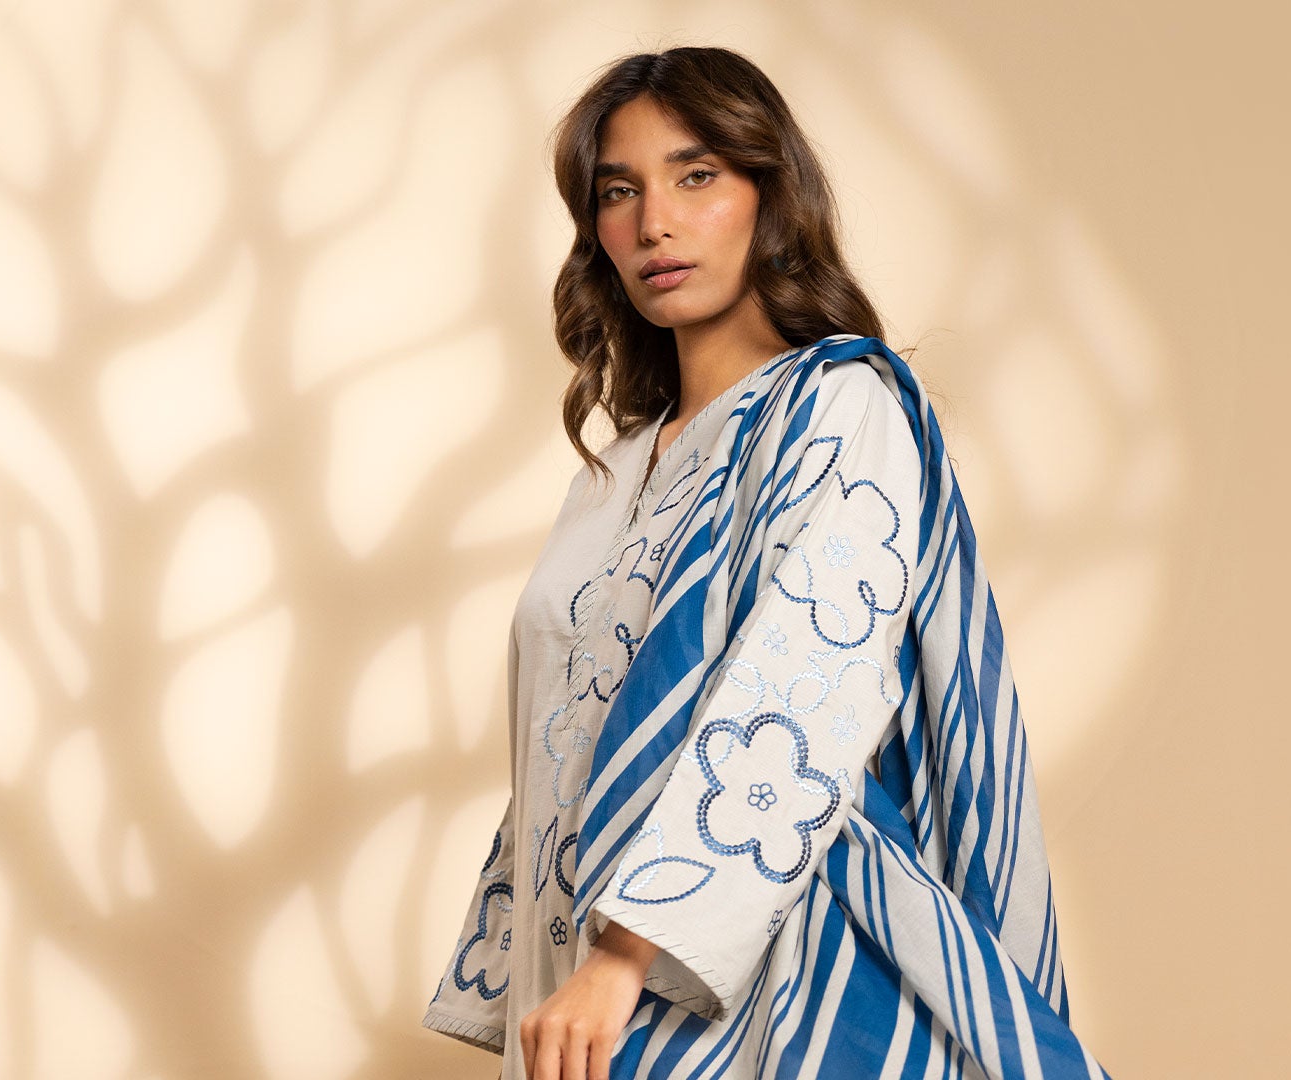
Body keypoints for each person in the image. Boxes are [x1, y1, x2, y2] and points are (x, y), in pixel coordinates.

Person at [419, 46, 1113, 1080]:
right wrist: (565, 972)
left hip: (759, 984)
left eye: (696, 175)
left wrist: (625, 956)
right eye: (619, 191)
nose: (654, 223)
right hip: (580, 988)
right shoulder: (612, 472)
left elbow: (802, 689)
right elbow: (558, 753)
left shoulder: (839, 407)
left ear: (770, 194)